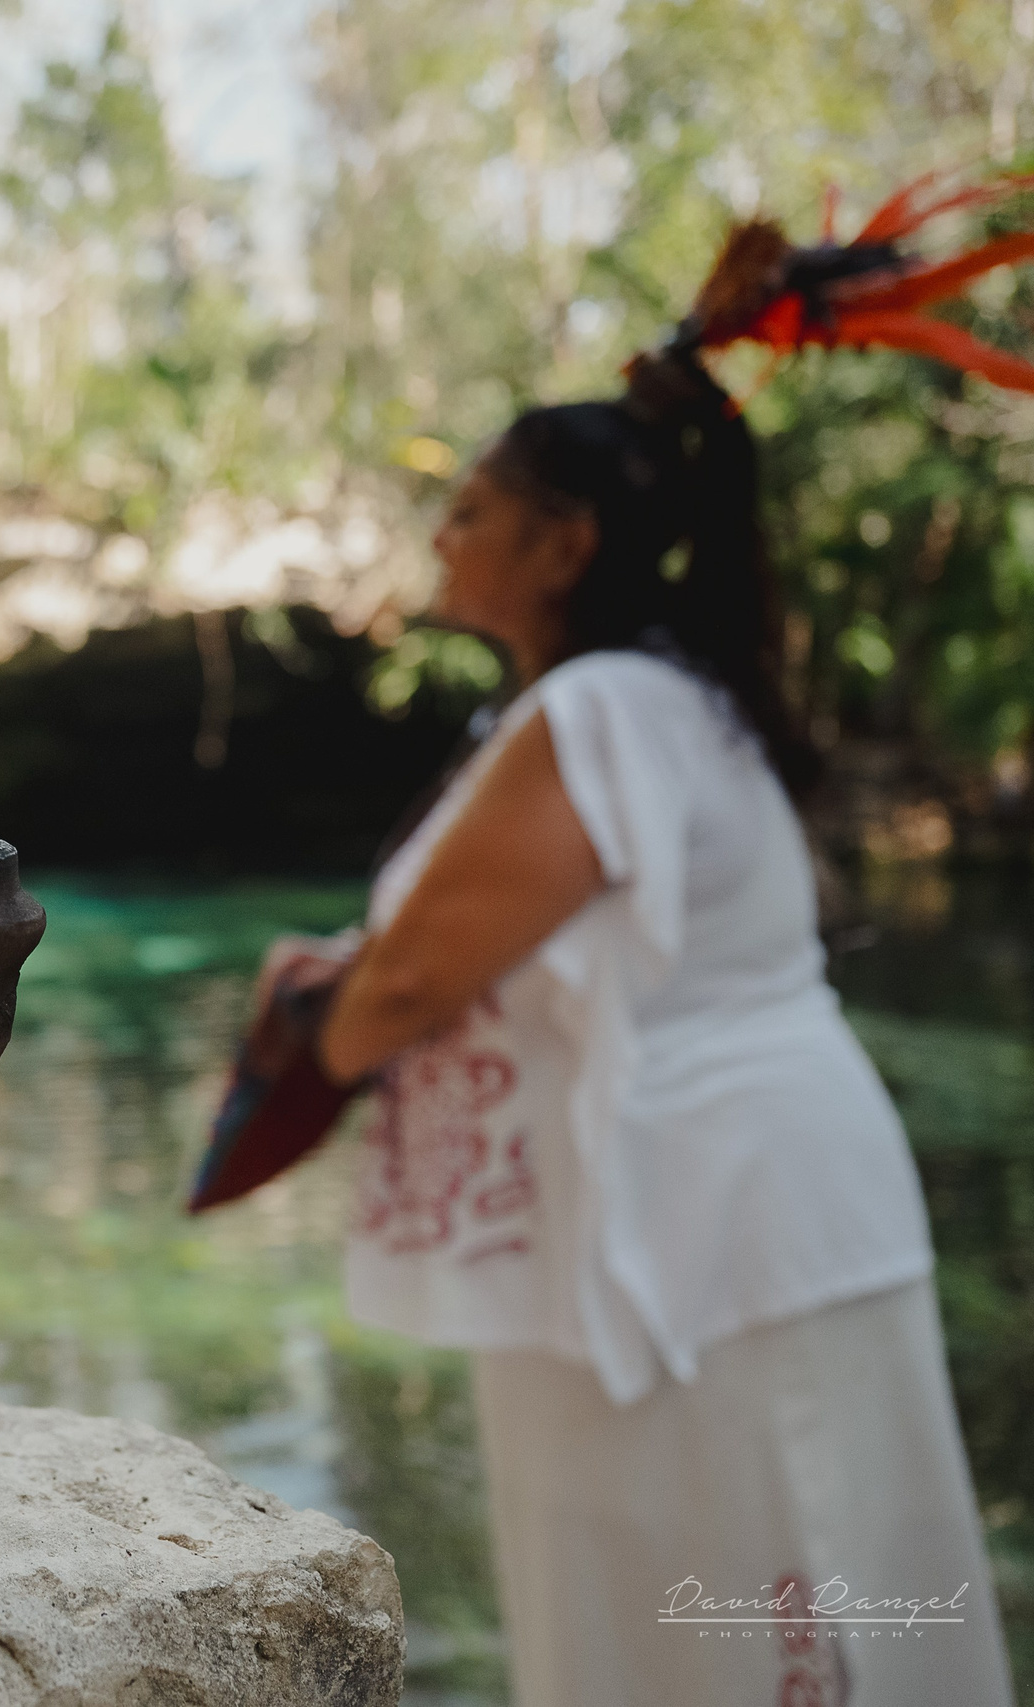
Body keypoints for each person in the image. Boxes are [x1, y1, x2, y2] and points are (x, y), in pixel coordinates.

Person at [259, 334, 1014, 1705]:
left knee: (736, 1600)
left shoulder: (600, 707)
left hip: (705, 1223)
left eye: (475, 503)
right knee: (815, 1584)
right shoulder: (675, 698)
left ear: (566, 543)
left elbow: (419, 984)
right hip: (774, 1201)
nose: (445, 525)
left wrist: (310, 1037)